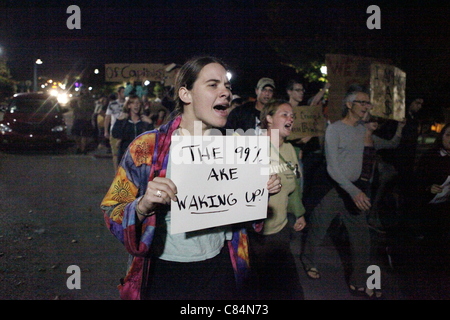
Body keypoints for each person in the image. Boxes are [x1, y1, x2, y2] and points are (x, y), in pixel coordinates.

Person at [100, 56, 281, 300]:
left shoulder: (235, 147)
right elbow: (113, 211)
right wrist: (142, 206)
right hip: (165, 273)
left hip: (221, 268)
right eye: (213, 84)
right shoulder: (147, 148)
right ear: (186, 94)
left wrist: (259, 192)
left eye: (227, 86)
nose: (225, 92)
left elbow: (246, 217)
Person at [301, 86, 387, 299]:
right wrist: (352, 191)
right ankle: (308, 261)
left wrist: (359, 189)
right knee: (318, 229)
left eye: (369, 103)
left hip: (355, 191)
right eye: (362, 102)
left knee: (362, 238)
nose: (367, 106)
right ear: (349, 105)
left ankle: (359, 282)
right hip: (334, 190)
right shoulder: (335, 129)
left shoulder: (361, 129)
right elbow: (332, 167)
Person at [248, 99, 306, 300]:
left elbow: (293, 185)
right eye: (284, 114)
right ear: (269, 118)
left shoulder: (290, 150)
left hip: (280, 230)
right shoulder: (251, 148)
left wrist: (299, 213)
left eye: (292, 116)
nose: (290, 118)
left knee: (289, 290)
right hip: (255, 235)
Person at [414, 122, 450, 259]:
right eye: (448, 135)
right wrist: (429, 187)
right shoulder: (431, 156)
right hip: (428, 206)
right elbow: (416, 182)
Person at [111, 94, 154, 163]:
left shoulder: (144, 122)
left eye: (138, 103)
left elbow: (152, 137)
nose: (136, 105)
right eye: (133, 103)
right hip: (126, 156)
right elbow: (115, 134)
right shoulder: (125, 121)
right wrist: (119, 121)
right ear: (129, 106)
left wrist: (150, 123)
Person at [104, 86, 126, 172]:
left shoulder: (128, 104)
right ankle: (117, 172)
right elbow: (107, 117)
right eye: (123, 92)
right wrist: (106, 131)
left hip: (125, 131)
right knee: (115, 154)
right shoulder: (112, 104)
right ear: (119, 93)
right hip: (115, 131)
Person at [71, 86, 95, 154]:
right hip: (78, 118)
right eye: (84, 90)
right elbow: (72, 106)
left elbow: (92, 108)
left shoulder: (90, 99)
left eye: (86, 90)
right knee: (76, 134)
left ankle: (83, 149)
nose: (85, 91)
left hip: (86, 118)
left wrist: (89, 115)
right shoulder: (77, 98)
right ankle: (79, 147)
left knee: (85, 134)